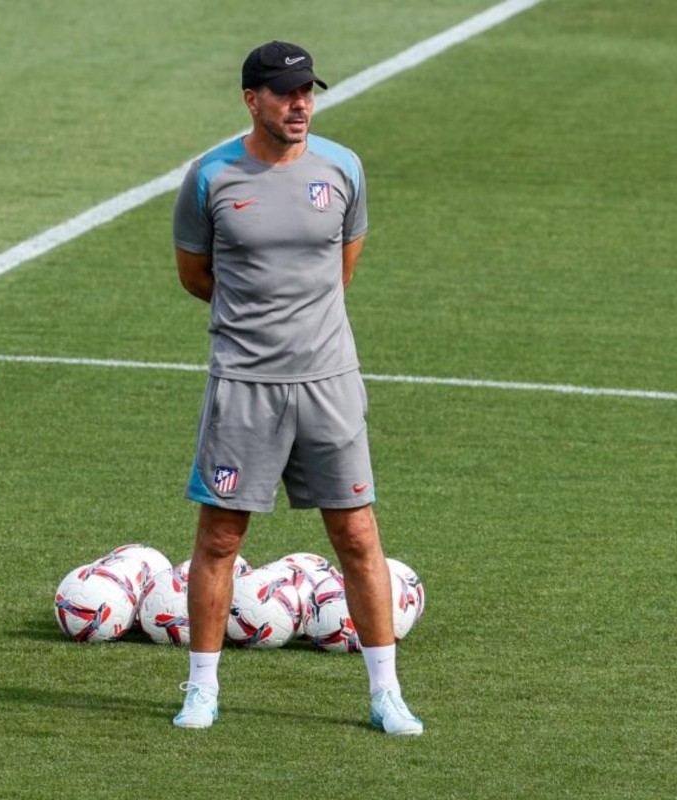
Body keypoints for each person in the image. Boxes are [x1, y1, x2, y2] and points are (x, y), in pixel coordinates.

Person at [169, 40, 423, 736]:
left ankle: (386, 693)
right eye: (285, 94)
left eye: (308, 91)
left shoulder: (342, 168)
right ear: (252, 100)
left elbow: (341, 269)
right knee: (220, 538)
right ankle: (201, 688)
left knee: (358, 534)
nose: (300, 104)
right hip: (244, 385)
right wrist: (256, 321)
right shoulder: (209, 177)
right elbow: (194, 276)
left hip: (329, 383)